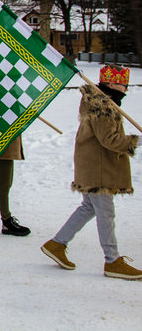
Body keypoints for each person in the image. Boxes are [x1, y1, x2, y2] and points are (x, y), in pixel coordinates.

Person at [41, 65, 141, 280]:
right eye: (124, 85)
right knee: (105, 213)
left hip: (94, 165)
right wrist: (133, 141)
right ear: (113, 84)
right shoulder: (102, 106)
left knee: (88, 208)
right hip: (99, 168)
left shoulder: (102, 103)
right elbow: (109, 140)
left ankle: (57, 244)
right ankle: (112, 260)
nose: (126, 89)